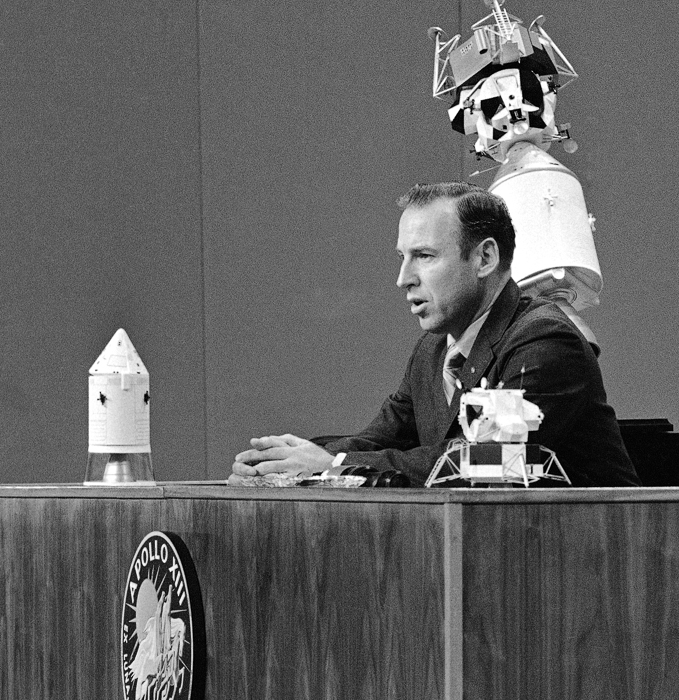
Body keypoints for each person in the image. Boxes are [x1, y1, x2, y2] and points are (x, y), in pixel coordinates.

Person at [232, 181, 639, 487]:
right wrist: (281, 461)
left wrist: (330, 465)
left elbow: (476, 463)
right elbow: (377, 442)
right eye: (402, 258)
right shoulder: (432, 351)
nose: (403, 279)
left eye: (424, 257)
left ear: (485, 257)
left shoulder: (546, 341)